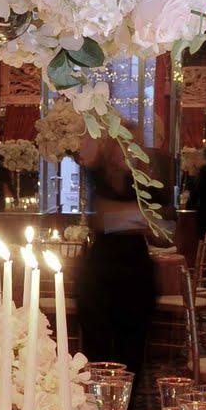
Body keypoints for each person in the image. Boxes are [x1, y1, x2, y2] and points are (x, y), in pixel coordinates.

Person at [76, 122, 156, 386]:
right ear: (112, 146)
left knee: (131, 357)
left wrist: (124, 217)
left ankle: (126, 408)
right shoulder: (98, 175)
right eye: (126, 143)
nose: (132, 149)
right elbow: (101, 218)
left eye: (137, 144)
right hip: (99, 278)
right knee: (96, 354)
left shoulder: (144, 182)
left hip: (136, 278)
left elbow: (163, 227)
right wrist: (139, 217)